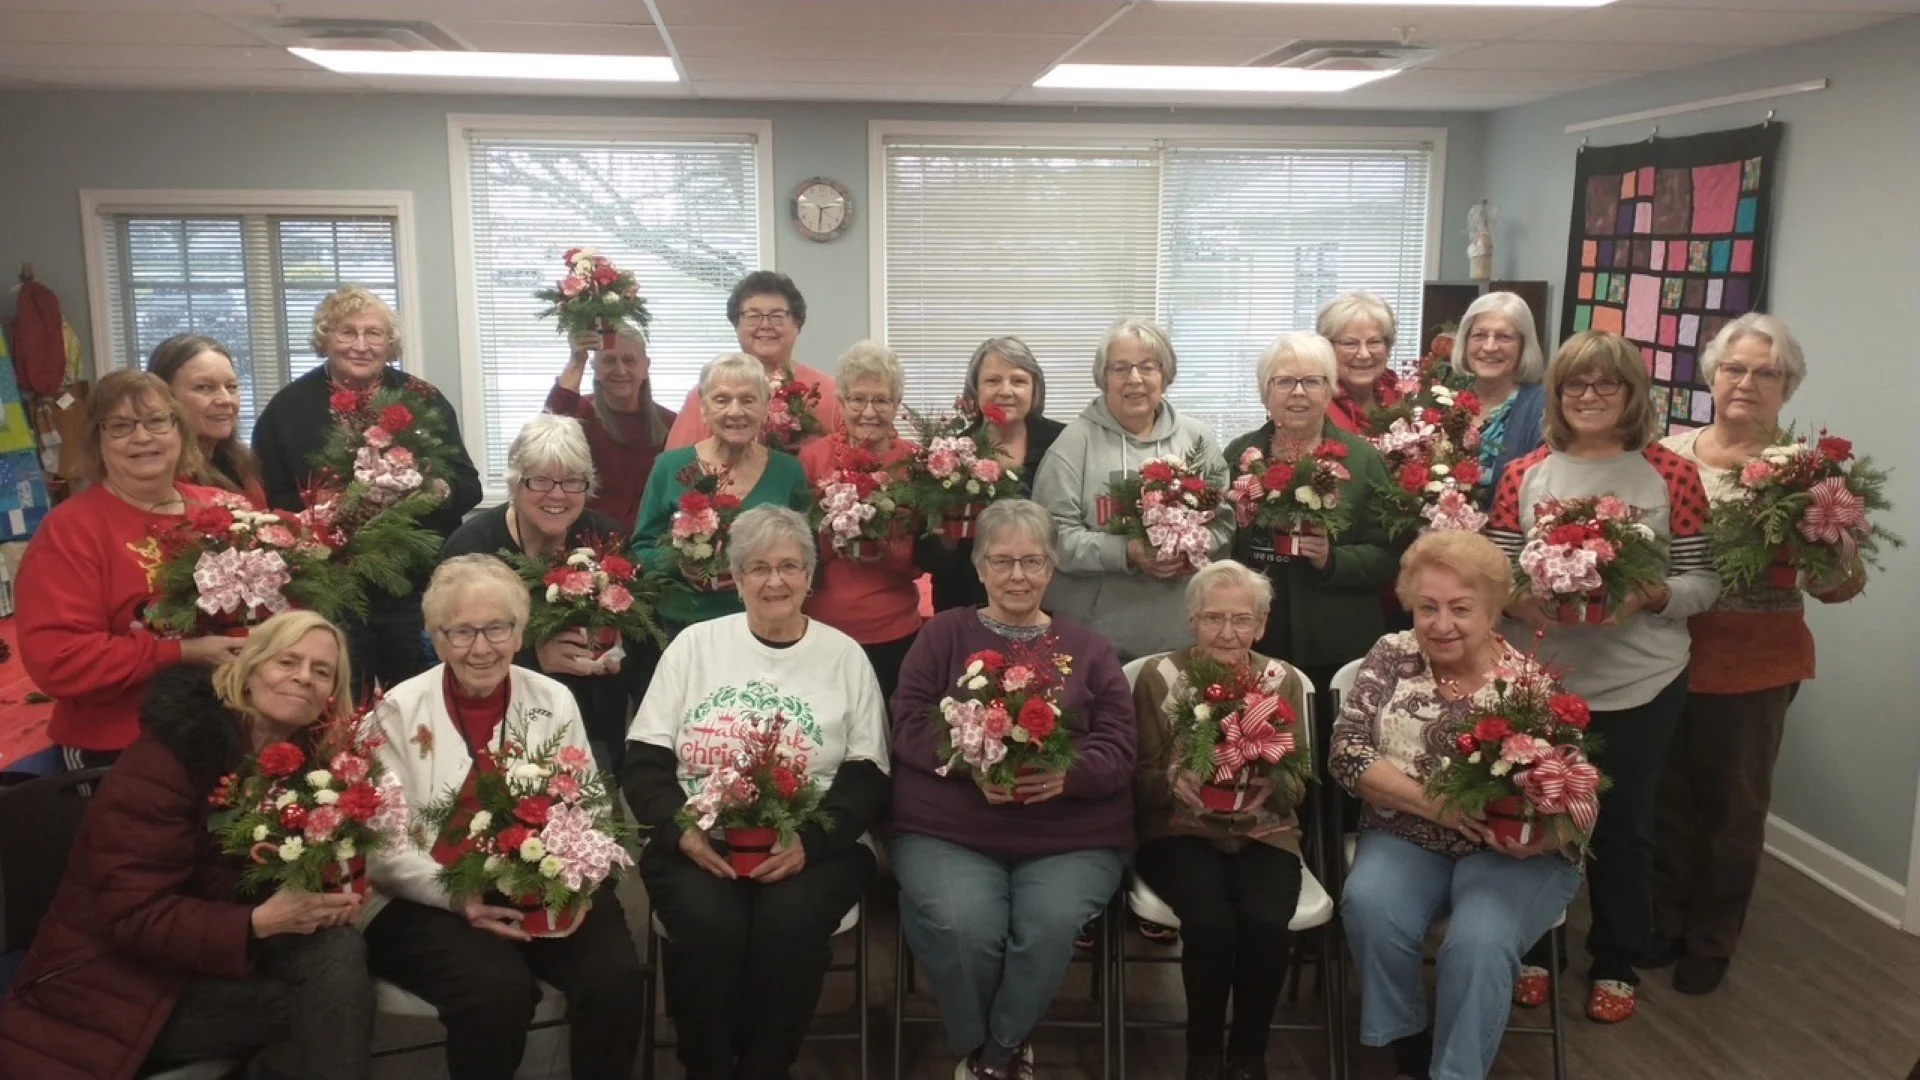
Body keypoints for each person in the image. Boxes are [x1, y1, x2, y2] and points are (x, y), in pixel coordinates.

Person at [0, 611, 372, 1080]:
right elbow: (133, 916)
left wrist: (324, 893)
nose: (303, 678)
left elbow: (234, 878)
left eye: (322, 671)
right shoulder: (168, 758)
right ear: (250, 667)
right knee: (329, 1002)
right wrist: (257, 922)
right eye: (287, 662)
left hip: (196, 958)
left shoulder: (304, 770)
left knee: (338, 956)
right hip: (110, 985)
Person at [1487, 330, 1721, 1023]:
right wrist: (1521, 600)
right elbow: (1496, 568)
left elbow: (1702, 580)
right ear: (1556, 396)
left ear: (1631, 394)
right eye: (1574, 385)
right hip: (1543, 677)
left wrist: (1650, 595)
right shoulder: (1525, 472)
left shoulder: (1671, 475)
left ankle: (1616, 958)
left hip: (1641, 682)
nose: (1590, 397)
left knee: (1623, 827)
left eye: (1606, 384)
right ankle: (1531, 948)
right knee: (1535, 814)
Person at [623, 506, 890, 1080]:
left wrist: (812, 843)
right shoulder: (694, 647)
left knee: (787, 924)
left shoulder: (844, 656)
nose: (775, 581)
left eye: (790, 566)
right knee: (707, 925)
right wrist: (682, 832)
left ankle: (766, 1067)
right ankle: (709, 1067)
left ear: (810, 576)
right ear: (736, 578)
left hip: (816, 844)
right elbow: (645, 762)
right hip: (702, 839)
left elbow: (867, 774)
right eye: (759, 568)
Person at [359, 555, 647, 1080]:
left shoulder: (552, 698)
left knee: (615, 979)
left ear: (518, 634)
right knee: (497, 991)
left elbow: (590, 806)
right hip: (429, 897)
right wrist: (455, 895)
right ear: (437, 638)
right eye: (462, 631)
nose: (482, 647)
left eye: (497, 628)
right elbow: (382, 847)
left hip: (545, 881)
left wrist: (574, 878)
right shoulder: (396, 712)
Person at [1650, 314, 1861, 995]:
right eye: (1733, 368)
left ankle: (1711, 939)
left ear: (1787, 386)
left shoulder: (1807, 474)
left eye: (1764, 372)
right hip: (1661, 655)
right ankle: (1662, 920)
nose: (1745, 383)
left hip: (1754, 666)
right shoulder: (1665, 455)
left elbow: (1841, 585)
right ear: (1712, 376)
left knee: (1732, 810)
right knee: (1667, 799)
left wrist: (1824, 543)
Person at [889, 499, 1136, 1080]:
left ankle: (993, 1053)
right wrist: (970, 760)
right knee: (963, 923)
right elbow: (908, 724)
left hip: (1070, 834)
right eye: (1002, 562)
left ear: (1052, 568)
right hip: (949, 828)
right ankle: (997, 1046)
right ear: (978, 568)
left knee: (1046, 926)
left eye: (1032, 561)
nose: (1018, 576)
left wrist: (1067, 775)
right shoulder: (942, 634)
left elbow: (1120, 747)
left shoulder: (1090, 647)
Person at [1330, 531, 1584, 1080]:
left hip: (1503, 852)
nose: (1441, 624)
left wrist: (1540, 835)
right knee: (1371, 904)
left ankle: (1456, 1072)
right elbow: (1347, 753)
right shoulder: (1392, 655)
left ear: (1493, 611)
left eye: (1460, 608)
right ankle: (1407, 1040)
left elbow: (1572, 788)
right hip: (1406, 832)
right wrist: (1438, 807)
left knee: (1479, 944)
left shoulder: (1528, 683)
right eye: (1428, 607)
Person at [251, 285, 482, 699]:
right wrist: (328, 511)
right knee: (342, 700)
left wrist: (424, 487)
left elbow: (468, 486)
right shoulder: (287, 409)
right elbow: (273, 500)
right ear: (325, 338)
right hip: (333, 584)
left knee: (420, 698)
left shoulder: (423, 399)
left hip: (415, 583)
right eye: (346, 332)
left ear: (390, 344)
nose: (361, 345)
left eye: (374, 334)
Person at [1132, 560, 1311, 1080]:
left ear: (1261, 625)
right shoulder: (1158, 678)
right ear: (1192, 620)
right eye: (1213, 618)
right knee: (1210, 923)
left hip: (1267, 832)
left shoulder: (1282, 680)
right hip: (1177, 831)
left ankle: (1249, 1059)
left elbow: (1300, 781)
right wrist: (1172, 779)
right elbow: (1136, 779)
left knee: (1264, 923)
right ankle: (1204, 1057)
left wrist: (1273, 786)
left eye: (1241, 620)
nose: (1227, 633)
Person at [16, 370, 247, 766]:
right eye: (121, 426)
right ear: (98, 441)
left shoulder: (227, 510)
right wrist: (184, 652)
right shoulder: (71, 530)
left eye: (157, 421)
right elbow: (60, 660)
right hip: (123, 747)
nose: (142, 438)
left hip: (234, 728)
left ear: (179, 430)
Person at [438, 414, 641, 770]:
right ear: (516, 484)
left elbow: (643, 636)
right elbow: (450, 651)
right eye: (541, 481)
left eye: (572, 482)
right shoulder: (472, 548)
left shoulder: (609, 540)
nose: (558, 495)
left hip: (594, 727)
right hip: (497, 727)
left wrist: (617, 651)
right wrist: (535, 659)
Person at [1222, 333, 1397, 729]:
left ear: (1331, 389)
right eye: (1284, 381)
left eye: (1311, 381)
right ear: (1265, 392)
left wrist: (1332, 558)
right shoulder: (1237, 456)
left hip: (1336, 638)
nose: (1298, 393)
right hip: (1255, 641)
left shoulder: (1364, 459)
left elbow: (1389, 555)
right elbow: (1222, 545)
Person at [1033, 318, 1231, 662]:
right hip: (1097, 639)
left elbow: (1225, 523)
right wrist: (1128, 551)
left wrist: (1186, 547)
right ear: (1103, 378)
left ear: (1165, 375)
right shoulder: (1072, 444)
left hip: (1184, 633)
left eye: (1147, 367)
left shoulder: (1198, 440)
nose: (1134, 379)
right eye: (1120, 368)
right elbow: (1052, 538)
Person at [632, 352, 813, 629]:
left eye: (748, 399)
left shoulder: (789, 472)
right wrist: (679, 564)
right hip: (685, 625)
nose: (735, 411)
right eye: (722, 399)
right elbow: (642, 547)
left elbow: (808, 555)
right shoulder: (670, 467)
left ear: (766, 407)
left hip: (765, 623)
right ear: (703, 409)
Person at [797, 341, 922, 705]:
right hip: (823, 626)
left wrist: (885, 548)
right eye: (857, 400)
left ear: (897, 405)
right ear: (842, 402)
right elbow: (799, 546)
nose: (869, 412)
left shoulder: (914, 464)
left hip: (893, 628)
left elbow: (924, 555)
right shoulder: (813, 459)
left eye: (881, 401)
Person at [916, 336, 1067, 612]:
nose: (1005, 391)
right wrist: (946, 536)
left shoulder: (1063, 443)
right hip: (965, 605)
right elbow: (927, 558)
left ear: (1035, 390)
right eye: (993, 381)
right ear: (974, 391)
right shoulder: (949, 454)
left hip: (1048, 605)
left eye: (1018, 381)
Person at [665, 270, 842, 448]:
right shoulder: (708, 393)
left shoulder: (829, 393)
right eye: (753, 316)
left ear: (798, 324)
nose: (765, 325)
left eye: (777, 316)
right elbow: (677, 466)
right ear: (736, 324)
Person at [546, 323, 675, 530]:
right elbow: (550, 423)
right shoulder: (580, 415)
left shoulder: (671, 423)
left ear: (646, 367)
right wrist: (577, 360)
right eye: (609, 360)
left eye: (629, 360)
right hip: (589, 540)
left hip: (652, 542)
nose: (620, 370)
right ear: (594, 369)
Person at [145, 333, 266, 505]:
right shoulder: (163, 477)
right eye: (204, 387)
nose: (226, 400)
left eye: (231, 387)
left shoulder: (240, 462)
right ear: (166, 397)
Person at [1452, 292, 1548, 507]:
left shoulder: (1542, 408)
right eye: (1479, 335)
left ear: (1524, 345)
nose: (1490, 347)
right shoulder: (1445, 401)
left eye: (1504, 337)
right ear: (1465, 342)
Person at [1318, 291, 1402, 435]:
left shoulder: (1400, 397)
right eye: (1350, 344)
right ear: (1327, 348)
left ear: (1388, 347)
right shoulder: (1315, 407)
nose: (1364, 354)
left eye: (1374, 342)